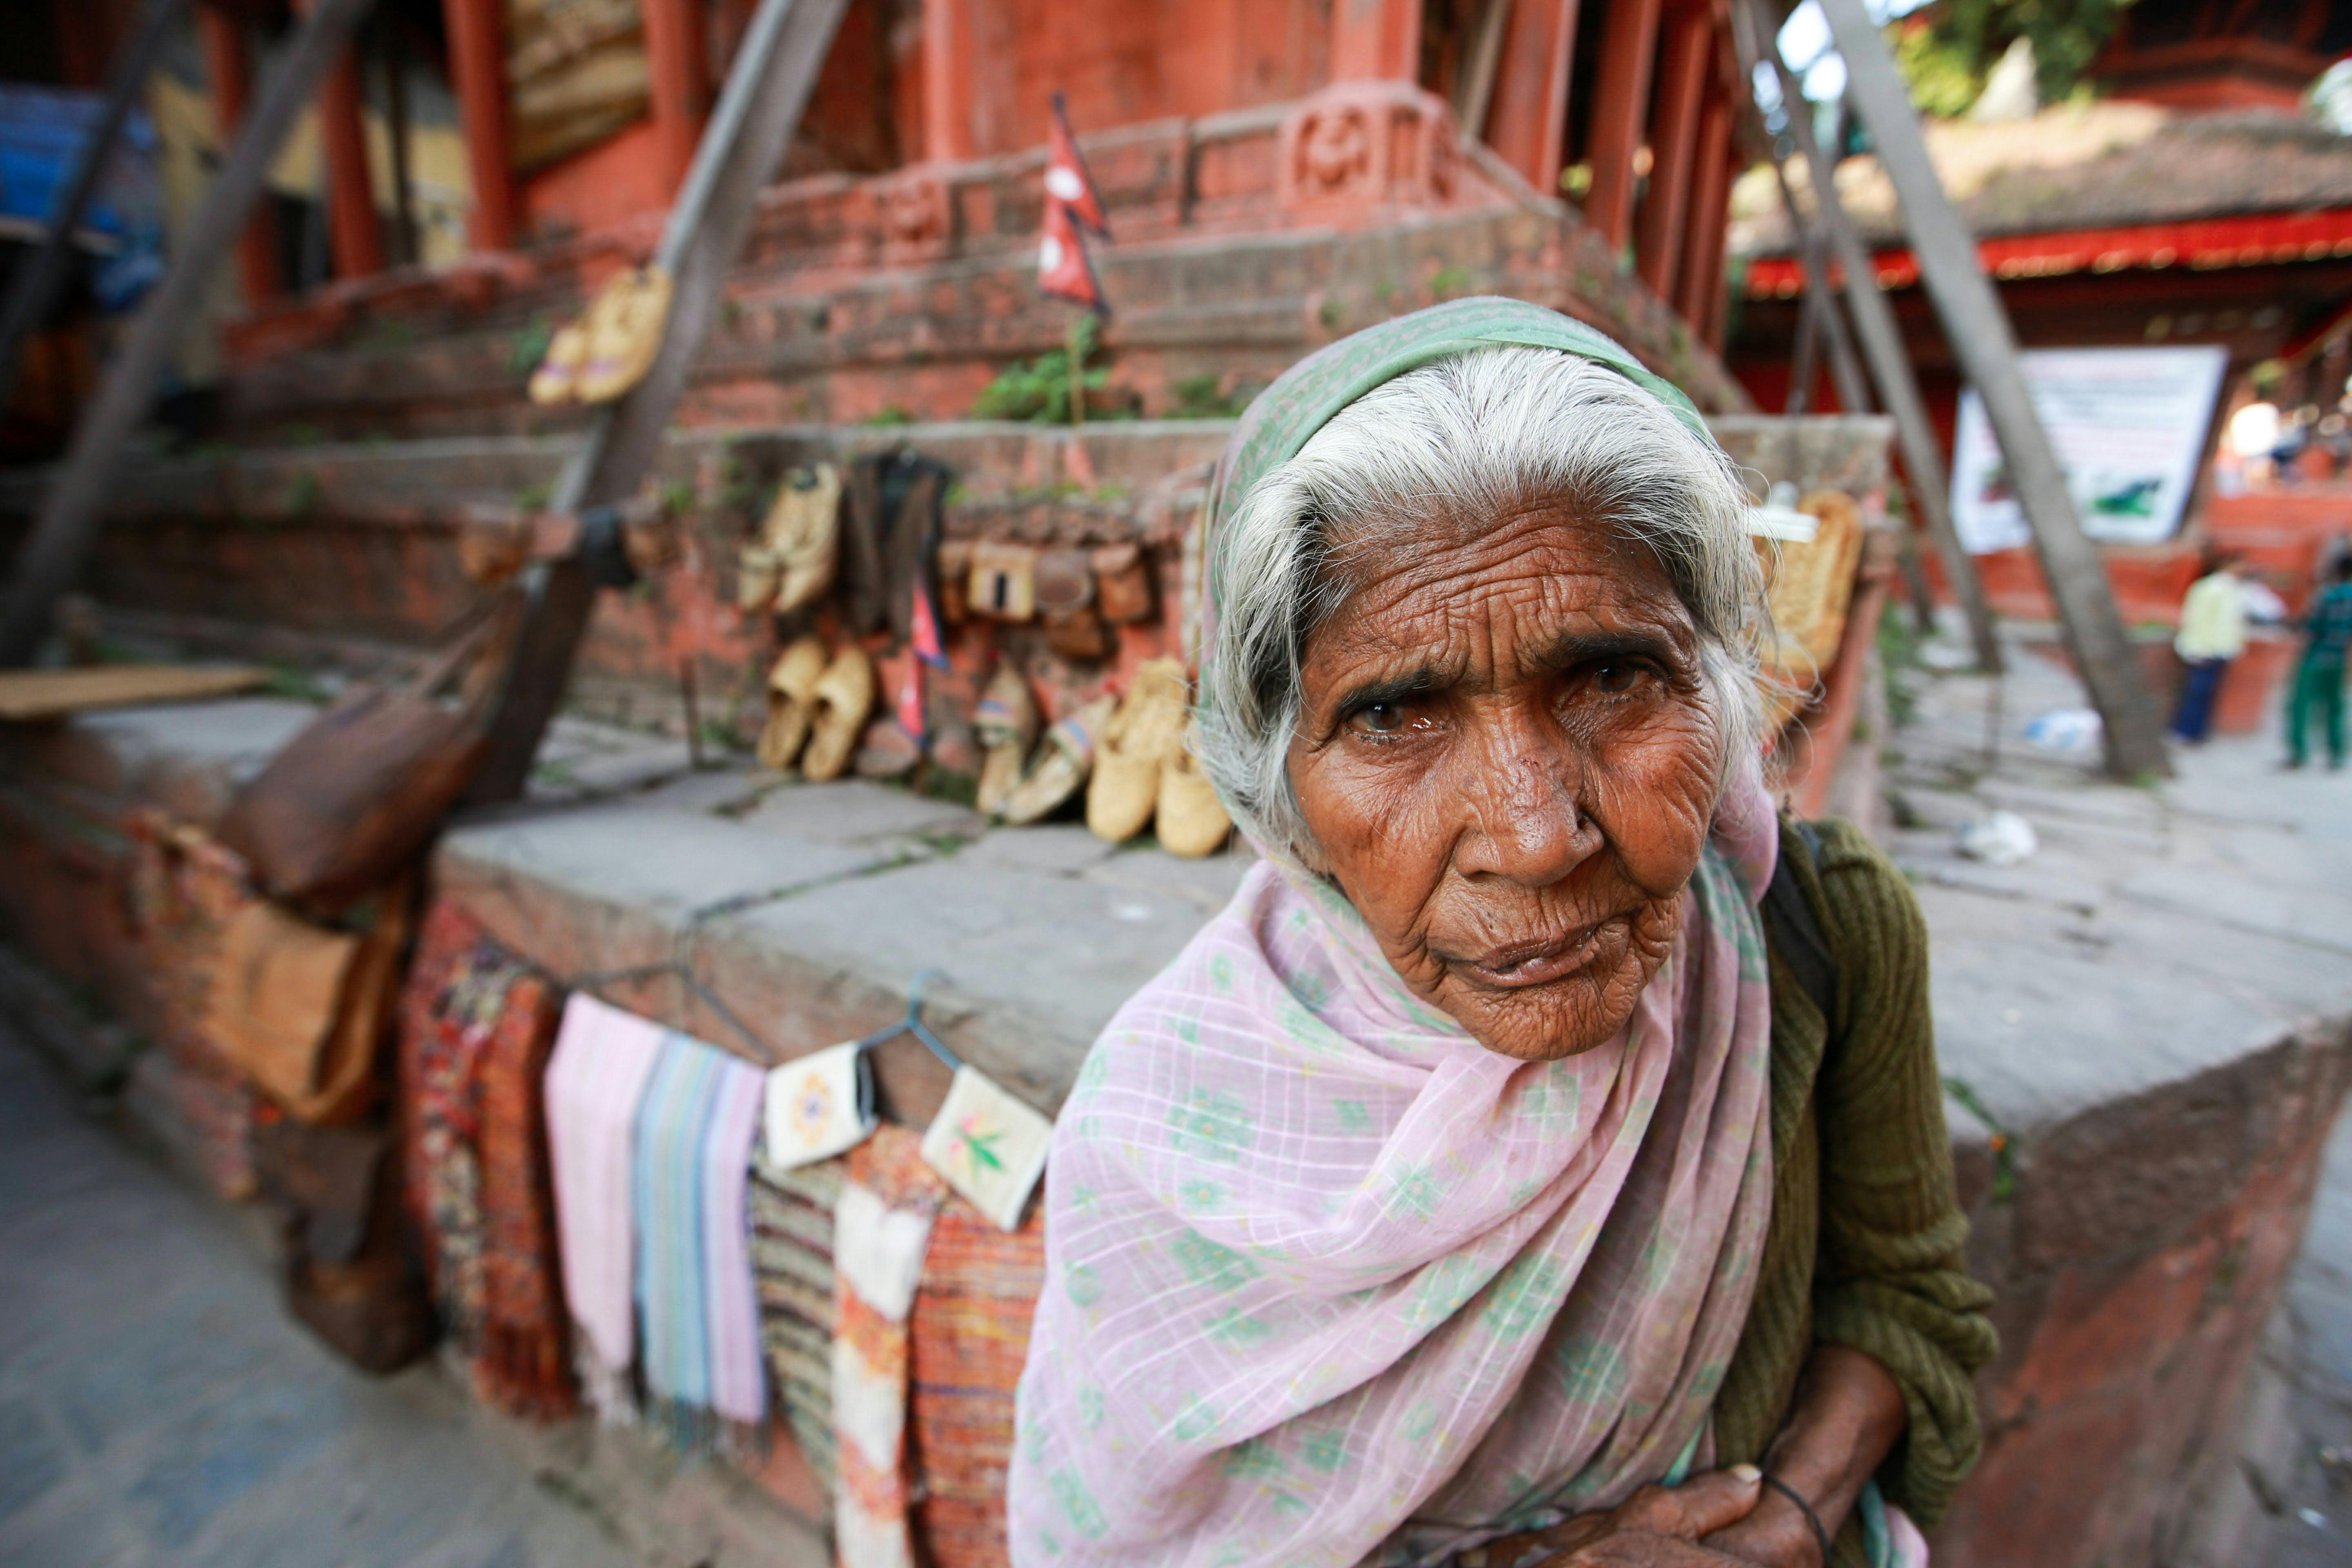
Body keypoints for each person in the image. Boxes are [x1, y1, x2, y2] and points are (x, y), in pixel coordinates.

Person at [1009, 300, 1995, 1568]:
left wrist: (1792, 1520)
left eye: (1611, 678)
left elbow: (1908, 1297)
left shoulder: (1818, 930)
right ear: (1276, 780)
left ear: (1717, 679)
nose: (1535, 834)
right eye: (1394, 715)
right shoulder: (1161, 1129)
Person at [2169, 553, 2247, 745]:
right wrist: (2195, 648)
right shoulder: (2209, 588)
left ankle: (2199, 733)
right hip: (2204, 650)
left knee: (2208, 694)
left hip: (2222, 649)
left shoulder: (2233, 589)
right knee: (2196, 693)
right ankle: (2184, 731)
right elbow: (2196, 620)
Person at [2286, 555, 2352, 770]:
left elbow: (2310, 625)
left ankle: (2299, 753)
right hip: (2339, 659)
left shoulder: (2327, 596)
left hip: (2315, 658)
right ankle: (2336, 754)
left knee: (2301, 706)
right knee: (2335, 708)